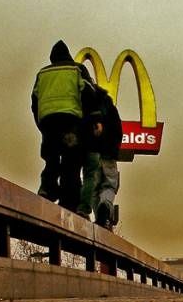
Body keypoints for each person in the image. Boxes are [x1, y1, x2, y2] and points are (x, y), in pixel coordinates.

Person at [32, 40, 95, 211]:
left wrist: (41, 123)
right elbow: (89, 95)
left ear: (52, 57)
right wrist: (86, 122)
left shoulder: (42, 73)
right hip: (71, 121)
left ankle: (47, 189)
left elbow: (34, 102)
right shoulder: (77, 69)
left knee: (51, 158)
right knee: (71, 162)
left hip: (48, 121)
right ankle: (69, 201)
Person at [77, 81, 123, 229]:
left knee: (94, 188)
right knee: (109, 185)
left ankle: (99, 219)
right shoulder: (109, 106)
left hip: (92, 152)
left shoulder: (85, 105)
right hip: (109, 153)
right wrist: (114, 149)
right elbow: (118, 130)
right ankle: (106, 207)